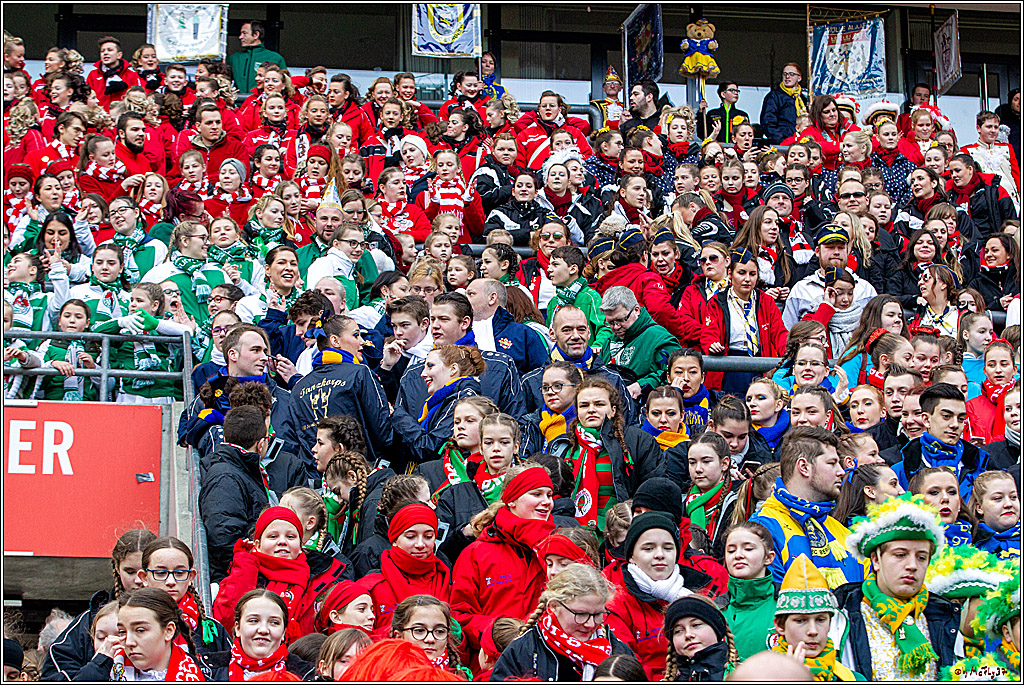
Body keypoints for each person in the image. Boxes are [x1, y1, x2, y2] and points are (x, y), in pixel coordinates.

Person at [837, 493, 959, 679]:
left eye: (921, 557)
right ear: (876, 560)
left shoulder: (945, 617)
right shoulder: (842, 616)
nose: (912, 565)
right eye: (900, 555)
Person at [449, 463, 556, 652]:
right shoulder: (476, 553)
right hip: (494, 663)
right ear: (512, 500)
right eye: (536, 494)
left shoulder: (559, 548)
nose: (547, 501)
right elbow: (458, 616)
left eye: (549, 495)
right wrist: (500, 633)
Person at [751, 426, 865, 589]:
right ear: (804, 467)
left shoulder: (843, 532)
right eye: (832, 463)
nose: (841, 471)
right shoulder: (763, 529)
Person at [213, 506, 346, 643]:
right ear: (257, 544)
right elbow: (226, 620)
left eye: (290, 536)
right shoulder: (243, 572)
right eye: (273, 536)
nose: (282, 541)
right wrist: (245, 565)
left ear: (301, 546)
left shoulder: (322, 578)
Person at [282, 314, 394, 465]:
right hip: (358, 473)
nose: (362, 342)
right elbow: (383, 435)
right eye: (356, 335)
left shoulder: (299, 387)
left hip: (314, 480)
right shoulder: (360, 373)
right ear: (335, 341)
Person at [492, 563, 633, 681]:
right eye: (580, 614)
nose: (590, 624)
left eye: (597, 614)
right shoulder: (523, 651)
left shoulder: (618, 651)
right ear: (554, 606)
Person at [606, 511, 694, 679]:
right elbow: (626, 665)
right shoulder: (618, 605)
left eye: (668, 548)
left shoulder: (696, 593)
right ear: (631, 555)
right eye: (648, 548)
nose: (660, 554)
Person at [700, 248, 787, 394]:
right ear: (730, 274)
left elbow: (779, 333)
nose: (747, 279)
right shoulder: (717, 301)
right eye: (741, 273)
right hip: (729, 366)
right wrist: (712, 344)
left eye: (752, 274)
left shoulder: (766, 301)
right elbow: (709, 332)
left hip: (760, 365)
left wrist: (789, 352)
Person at [361, 502, 451, 634]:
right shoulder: (372, 586)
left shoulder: (447, 580)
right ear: (394, 539)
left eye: (428, 536)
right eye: (411, 537)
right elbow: (358, 639)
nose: (420, 544)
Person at [770, 554, 863, 681]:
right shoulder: (758, 676)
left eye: (820, 620)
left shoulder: (853, 679)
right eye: (800, 620)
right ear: (780, 626)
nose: (813, 631)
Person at [206, 589, 316, 679]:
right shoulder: (207, 670)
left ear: (283, 632)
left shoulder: (307, 674)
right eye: (253, 621)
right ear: (238, 628)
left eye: (274, 622)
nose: (263, 630)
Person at [783, 224, 877, 329]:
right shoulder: (801, 289)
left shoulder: (865, 289)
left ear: (848, 251)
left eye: (841, 248)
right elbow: (789, 332)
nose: (836, 252)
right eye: (830, 247)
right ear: (817, 251)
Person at [599, 285, 680, 400]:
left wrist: (641, 385)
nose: (616, 327)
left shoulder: (660, 339)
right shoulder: (609, 341)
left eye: (621, 320)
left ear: (636, 310)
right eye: (611, 322)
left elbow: (674, 374)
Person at [466, 278, 548, 376]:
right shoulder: (459, 331)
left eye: (471, 294)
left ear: (492, 298)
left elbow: (541, 374)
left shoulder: (523, 334)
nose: (464, 299)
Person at [721, 522, 777, 661]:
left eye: (748, 548)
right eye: (731, 550)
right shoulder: (716, 609)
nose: (738, 555)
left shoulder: (786, 604)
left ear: (768, 557)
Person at [662, 594, 738, 680]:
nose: (688, 635)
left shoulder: (744, 675)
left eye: (696, 625)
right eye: (678, 631)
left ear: (716, 629)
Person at [961, 111, 1021, 208]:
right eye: (989, 127)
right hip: (986, 203)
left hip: (1011, 200)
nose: (993, 130)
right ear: (978, 128)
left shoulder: (1007, 148)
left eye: (996, 127)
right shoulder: (967, 151)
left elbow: (1016, 176)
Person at [970, 470, 1020, 558]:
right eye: (998, 498)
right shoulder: (969, 543)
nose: (1009, 504)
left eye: (1013, 497)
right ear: (980, 508)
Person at [228, 20, 286, 95]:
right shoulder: (234, 57)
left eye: (244, 33)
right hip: (238, 104)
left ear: (256, 34)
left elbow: (285, 83)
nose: (240, 37)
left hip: (263, 103)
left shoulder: (275, 58)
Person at [760, 63, 807, 145]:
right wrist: (782, 141)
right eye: (785, 74)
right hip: (783, 144)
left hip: (801, 143)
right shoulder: (774, 96)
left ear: (799, 78)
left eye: (792, 74)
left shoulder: (802, 99)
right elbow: (768, 123)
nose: (787, 77)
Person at [590, 66, 625, 130]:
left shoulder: (625, 106)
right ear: (604, 88)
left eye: (615, 83)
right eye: (608, 83)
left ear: (620, 88)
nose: (612, 86)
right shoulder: (596, 105)